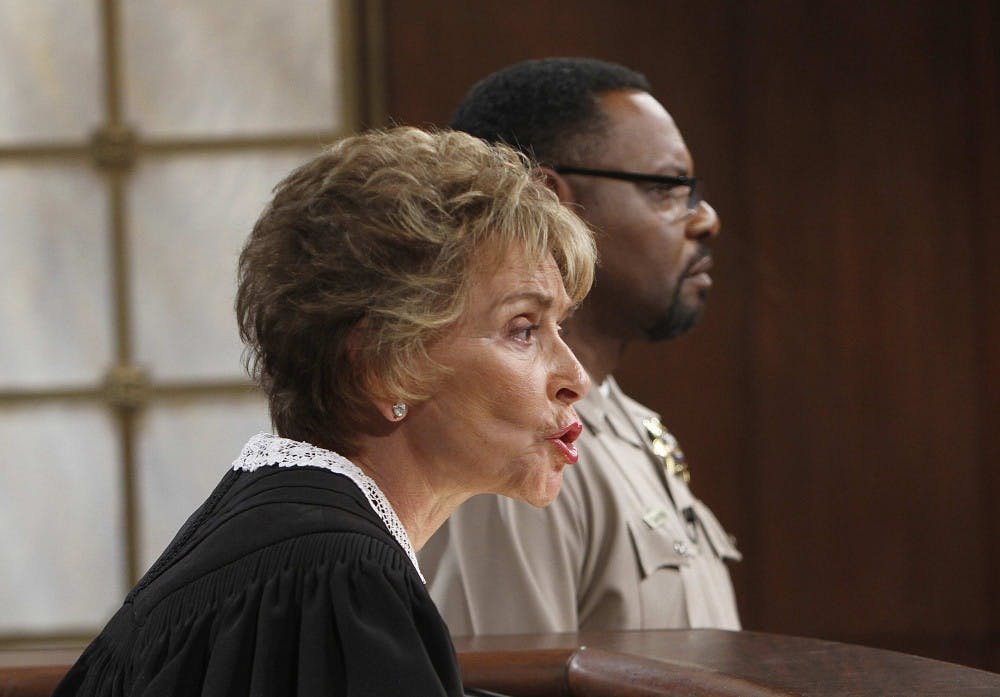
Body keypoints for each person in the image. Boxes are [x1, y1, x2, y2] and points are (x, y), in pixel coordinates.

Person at [53, 127, 595, 697]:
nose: (575, 378)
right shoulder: (339, 580)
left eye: (562, 326)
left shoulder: (290, 535)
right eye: (523, 330)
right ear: (382, 365)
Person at [420, 58, 741, 634]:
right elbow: (504, 681)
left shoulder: (624, 422)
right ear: (550, 200)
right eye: (667, 189)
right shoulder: (510, 446)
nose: (706, 219)